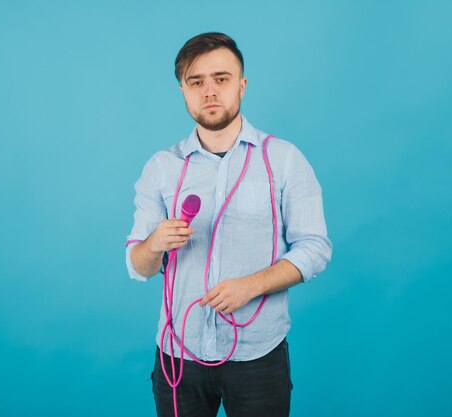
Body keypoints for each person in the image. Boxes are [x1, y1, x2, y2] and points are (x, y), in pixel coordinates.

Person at [125, 32, 332, 417]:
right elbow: (139, 266)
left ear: (242, 85)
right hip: (178, 356)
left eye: (221, 79)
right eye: (196, 82)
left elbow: (315, 249)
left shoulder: (284, 159)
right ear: (183, 91)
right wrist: (153, 244)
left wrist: (250, 287)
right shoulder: (161, 168)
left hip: (258, 354)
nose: (209, 91)